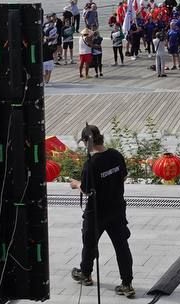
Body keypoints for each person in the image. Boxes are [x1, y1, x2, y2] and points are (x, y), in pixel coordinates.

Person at [70, 124, 134, 298]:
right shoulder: (115, 155)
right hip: (117, 209)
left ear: (86, 142)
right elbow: (124, 176)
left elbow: (88, 189)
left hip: (97, 212)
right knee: (122, 246)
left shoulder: (91, 164)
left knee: (89, 242)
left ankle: (86, 274)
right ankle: (127, 284)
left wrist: (76, 184)